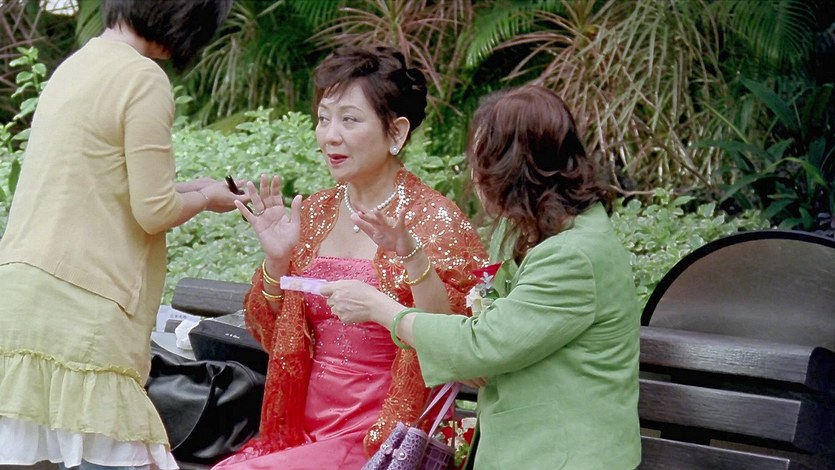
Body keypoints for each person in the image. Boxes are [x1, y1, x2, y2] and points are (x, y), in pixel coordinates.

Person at [324, 84, 643, 469]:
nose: (475, 177)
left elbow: (479, 346)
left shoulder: (573, 256)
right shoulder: (539, 232)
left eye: (481, 162)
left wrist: (379, 308)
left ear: (513, 170)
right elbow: (487, 338)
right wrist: (409, 251)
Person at [211, 45, 488, 470]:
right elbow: (269, 332)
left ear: (396, 133)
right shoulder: (315, 211)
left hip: (384, 434)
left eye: (349, 120)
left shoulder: (435, 219)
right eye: (324, 119)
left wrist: (408, 268)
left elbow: (458, 344)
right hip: (302, 430)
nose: (330, 136)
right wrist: (277, 263)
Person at [0, 1, 239, 469]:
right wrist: (206, 199)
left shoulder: (76, 65)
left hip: (22, 295)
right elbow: (155, 211)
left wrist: (198, 189)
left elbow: (106, 185)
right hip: (84, 302)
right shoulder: (144, 78)